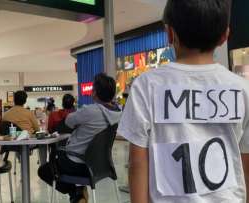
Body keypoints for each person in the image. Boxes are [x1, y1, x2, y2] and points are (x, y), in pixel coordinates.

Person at [118, 0, 249, 203]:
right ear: (225, 35)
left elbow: (137, 163)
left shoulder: (146, 86)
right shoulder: (242, 89)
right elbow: (245, 164)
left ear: (170, 34)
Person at [38, 73, 122, 203]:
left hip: (76, 163)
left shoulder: (90, 111)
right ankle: (78, 194)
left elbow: (69, 121)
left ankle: (77, 194)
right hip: (102, 165)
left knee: (44, 171)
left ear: (95, 93)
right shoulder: (117, 113)